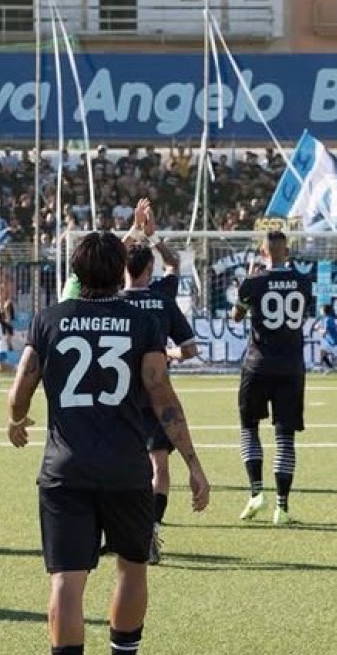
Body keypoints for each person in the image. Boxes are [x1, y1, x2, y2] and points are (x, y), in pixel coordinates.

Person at [4, 230, 210, 655]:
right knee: (132, 569)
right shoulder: (143, 323)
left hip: (65, 468)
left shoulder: (48, 320)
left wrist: (16, 420)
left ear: (76, 273)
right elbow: (162, 396)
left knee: (66, 579)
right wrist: (192, 463)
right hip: (126, 468)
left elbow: (18, 392)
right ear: (120, 272)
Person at [119, 211, 198, 563]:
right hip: (155, 393)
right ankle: (151, 528)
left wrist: (131, 233)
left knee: (119, 464)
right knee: (159, 467)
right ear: (149, 269)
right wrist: (152, 237)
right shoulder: (163, 297)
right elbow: (175, 264)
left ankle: (118, 528)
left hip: (117, 395)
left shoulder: (112, 300)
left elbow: (97, 265)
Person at [228, 230, 314, 525]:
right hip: (291, 367)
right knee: (285, 437)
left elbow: (236, 316)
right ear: (286, 251)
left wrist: (250, 282)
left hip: (258, 364)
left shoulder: (253, 282)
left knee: (249, 428)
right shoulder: (304, 282)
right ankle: (282, 507)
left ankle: (256, 493)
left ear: (264, 252)